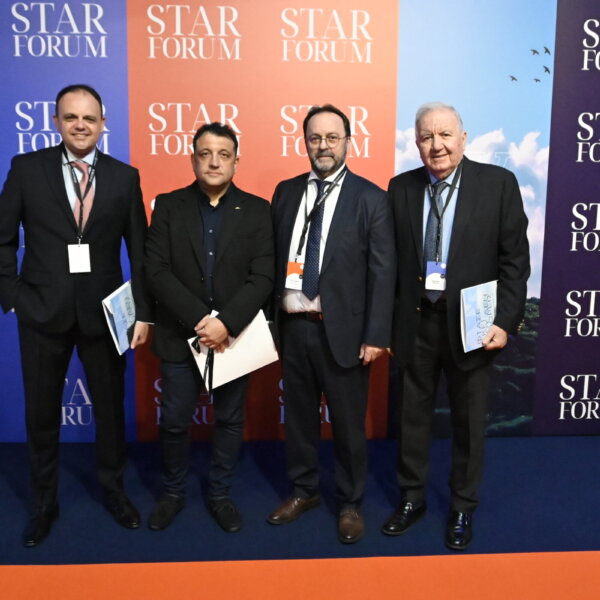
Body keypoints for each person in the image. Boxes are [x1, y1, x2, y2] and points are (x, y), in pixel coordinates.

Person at [0, 84, 151, 547]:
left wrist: (143, 313)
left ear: (103, 123)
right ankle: (44, 503)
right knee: (41, 413)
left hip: (105, 316)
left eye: (89, 118)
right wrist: (14, 296)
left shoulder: (125, 177)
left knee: (109, 411)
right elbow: (3, 239)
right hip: (41, 312)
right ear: (56, 122)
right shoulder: (26, 169)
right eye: (71, 117)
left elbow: (140, 252)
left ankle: (114, 491)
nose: (80, 125)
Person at [383, 101, 530, 550]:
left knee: (468, 421)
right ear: (416, 143)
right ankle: (412, 498)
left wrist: (505, 320)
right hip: (416, 323)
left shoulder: (498, 184)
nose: (437, 145)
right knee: (411, 419)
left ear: (463, 138)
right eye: (427, 136)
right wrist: (385, 327)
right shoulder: (400, 188)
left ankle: (463, 506)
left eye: (445, 135)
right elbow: (388, 265)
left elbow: (515, 261)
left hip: (473, 326)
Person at [268, 104, 396, 544]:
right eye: (315, 138)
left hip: (345, 333)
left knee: (348, 426)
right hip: (293, 328)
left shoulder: (371, 198)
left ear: (348, 142)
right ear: (305, 142)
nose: (323, 146)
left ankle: (350, 503)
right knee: (299, 420)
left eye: (332, 138)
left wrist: (376, 334)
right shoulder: (285, 192)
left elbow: (383, 273)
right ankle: (304, 492)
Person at [144, 122, 274, 533]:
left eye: (223, 154)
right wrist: (204, 321)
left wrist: (226, 323)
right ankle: (172, 494)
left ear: (236, 161)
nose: (214, 162)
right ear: (193, 159)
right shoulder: (169, 206)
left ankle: (220, 495)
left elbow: (263, 277)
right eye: (205, 154)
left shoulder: (257, 210)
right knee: (174, 421)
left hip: (234, 338)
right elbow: (156, 271)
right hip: (181, 333)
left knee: (230, 420)